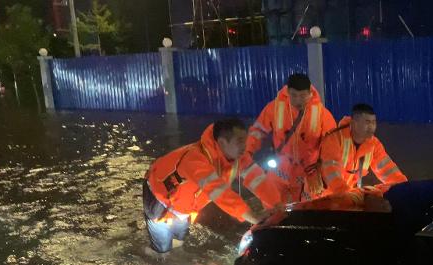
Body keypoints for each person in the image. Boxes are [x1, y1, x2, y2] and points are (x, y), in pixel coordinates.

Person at [143, 119, 276, 254]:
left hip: (185, 206)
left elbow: (257, 179)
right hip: (159, 198)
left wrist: (277, 205)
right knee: (163, 251)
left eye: (245, 140)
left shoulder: (236, 155)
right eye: (239, 141)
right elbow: (220, 192)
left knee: (178, 243)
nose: (244, 146)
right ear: (222, 143)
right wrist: (253, 216)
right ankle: (151, 252)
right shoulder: (195, 159)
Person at [240, 73, 336, 204]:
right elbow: (258, 131)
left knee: (312, 208)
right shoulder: (274, 108)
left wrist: (320, 169)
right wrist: (246, 152)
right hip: (280, 168)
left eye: (303, 96)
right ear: (287, 92)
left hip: (309, 171)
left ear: (310, 93)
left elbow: (332, 145)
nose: (298, 100)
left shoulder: (321, 113)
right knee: (272, 204)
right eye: (294, 95)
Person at [318, 103, 407, 197]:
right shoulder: (334, 139)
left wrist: (404, 187)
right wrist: (348, 194)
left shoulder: (373, 144)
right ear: (353, 123)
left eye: (373, 122)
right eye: (367, 122)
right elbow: (331, 173)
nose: (371, 127)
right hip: (322, 198)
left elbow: (388, 170)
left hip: (346, 197)